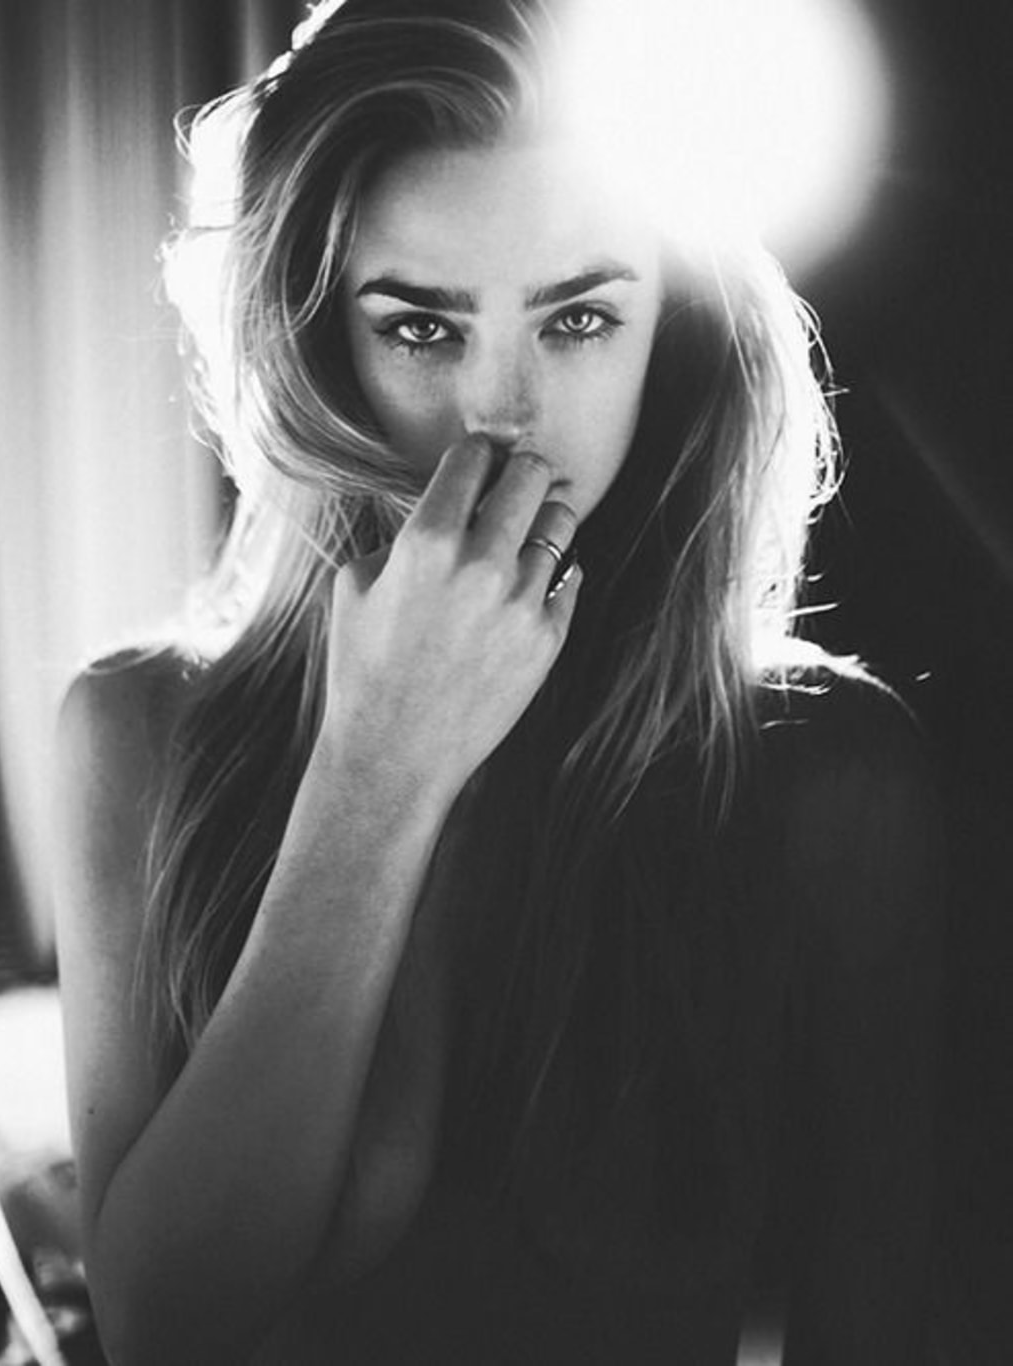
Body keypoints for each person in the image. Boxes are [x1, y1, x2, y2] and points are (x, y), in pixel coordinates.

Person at [53, 1, 944, 1361]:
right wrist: (378, 770)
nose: (502, 414)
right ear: (316, 348)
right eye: (421, 328)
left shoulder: (825, 773)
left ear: (672, 331)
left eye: (579, 317)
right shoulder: (136, 732)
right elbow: (159, 1328)